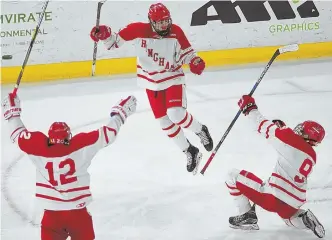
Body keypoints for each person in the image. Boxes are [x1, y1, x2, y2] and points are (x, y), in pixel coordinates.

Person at [89, 2, 213, 175]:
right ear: (151, 21)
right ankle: (189, 150)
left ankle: (200, 130)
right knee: (164, 121)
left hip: (172, 77)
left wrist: (195, 62)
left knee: (176, 113)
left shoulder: (176, 31)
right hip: (151, 82)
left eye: (166, 21)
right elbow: (114, 43)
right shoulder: (137, 30)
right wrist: (104, 34)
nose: (164, 25)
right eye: (160, 22)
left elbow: (188, 54)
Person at [1, 93, 137, 240]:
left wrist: (12, 114)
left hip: (51, 218)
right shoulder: (80, 145)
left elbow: (17, 134)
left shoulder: (38, 147)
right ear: (68, 137)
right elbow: (108, 133)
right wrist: (118, 114)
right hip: (78, 216)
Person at [225, 95, 326, 238]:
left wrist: (250, 108)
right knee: (289, 220)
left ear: (308, 136)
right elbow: (290, 146)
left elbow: (262, 126)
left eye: (302, 131)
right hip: (294, 202)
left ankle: (246, 216)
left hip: (274, 198)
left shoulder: (290, 139)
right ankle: (303, 218)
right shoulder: (312, 155)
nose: (298, 130)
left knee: (232, 176)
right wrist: (283, 129)